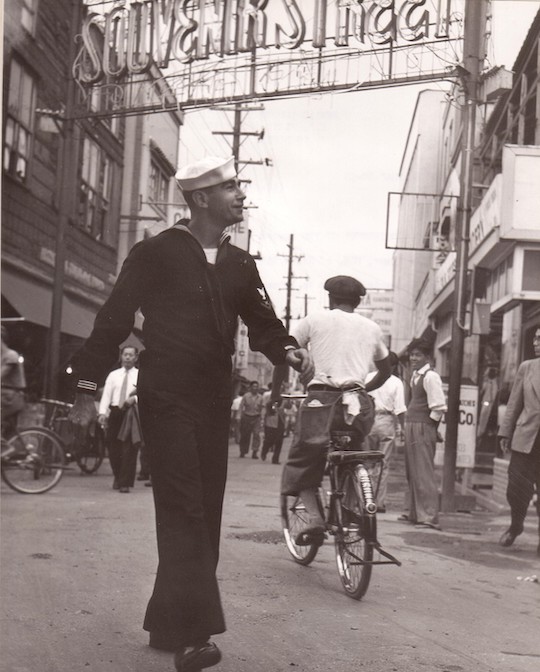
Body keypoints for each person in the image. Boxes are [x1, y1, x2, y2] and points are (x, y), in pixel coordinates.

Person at [68, 156, 313, 672]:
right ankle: (195, 636)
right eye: (230, 187)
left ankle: (167, 622)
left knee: (205, 508)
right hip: (166, 394)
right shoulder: (155, 252)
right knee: (184, 509)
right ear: (201, 198)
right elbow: (112, 320)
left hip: (213, 398)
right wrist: (87, 388)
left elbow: (264, 323)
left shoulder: (240, 263)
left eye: (239, 186)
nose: (241, 195)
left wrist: (287, 350)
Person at [280, 275, 391, 545]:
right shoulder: (372, 327)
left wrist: (281, 388)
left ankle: (315, 520)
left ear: (330, 299)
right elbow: (386, 371)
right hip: (358, 403)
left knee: (303, 460)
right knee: (353, 454)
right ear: (357, 302)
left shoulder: (314, 320)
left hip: (322, 400)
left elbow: (287, 350)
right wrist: (363, 387)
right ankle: (351, 506)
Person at [498, 326, 540, 556]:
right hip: (526, 439)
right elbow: (515, 402)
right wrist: (505, 432)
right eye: (535, 338)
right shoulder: (527, 367)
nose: (535, 342)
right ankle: (516, 525)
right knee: (515, 488)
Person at [400, 338, 447, 530]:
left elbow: (438, 407)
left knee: (424, 471)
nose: (413, 358)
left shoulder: (430, 376)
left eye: (418, 355)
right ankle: (415, 512)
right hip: (412, 424)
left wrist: (431, 429)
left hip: (423, 426)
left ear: (427, 357)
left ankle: (428, 515)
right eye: (412, 355)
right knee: (412, 471)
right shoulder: (415, 376)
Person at [365, 351, 406, 513]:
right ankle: (379, 502)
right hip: (386, 421)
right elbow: (400, 408)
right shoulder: (396, 382)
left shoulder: (368, 377)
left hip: (368, 420)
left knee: (366, 462)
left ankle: (365, 499)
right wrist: (403, 427)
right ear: (394, 366)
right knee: (383, 464)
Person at [97, 345, 140, 493]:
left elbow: (145, 394)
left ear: (136, 358)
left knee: (129, 448)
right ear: (121, 356)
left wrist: (134, 399)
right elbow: (106, 395)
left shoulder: (140, 375)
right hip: (115, 412)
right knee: (113, 447)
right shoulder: (113, 375)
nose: (127, 357)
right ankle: (118, 475)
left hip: (131, 413)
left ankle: (125, 482)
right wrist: (102, 413)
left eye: (131, 355)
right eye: (125, 354)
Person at [1, 326, 27, 437]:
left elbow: (1, 374)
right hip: (5, 397)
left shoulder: (11, 355)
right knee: (8, 433)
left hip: (11, 398)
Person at [261, 383, 286, 464]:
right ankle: (264, 450)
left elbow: (288, 407)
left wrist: (288, 400)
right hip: (271, 421)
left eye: (282, 388)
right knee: (269, 439)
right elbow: (267, 407)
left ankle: (275, 459)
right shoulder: (269, 396)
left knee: (279, 440)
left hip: (280, 421)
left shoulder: (284, 397)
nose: (281, 390)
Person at [238, 380, 263, 458]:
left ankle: (255, 452)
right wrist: (238, 416)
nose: (255, 388)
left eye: (257, 386)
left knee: (256, 434)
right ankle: (243, 451)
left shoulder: (260, 397)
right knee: (245, 435)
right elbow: (241, 406)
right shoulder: (246, 396)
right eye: (254, 386)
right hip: (247, 416)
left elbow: (263, 408)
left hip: (256, 417)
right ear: (250, 387)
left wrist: (262, 418)